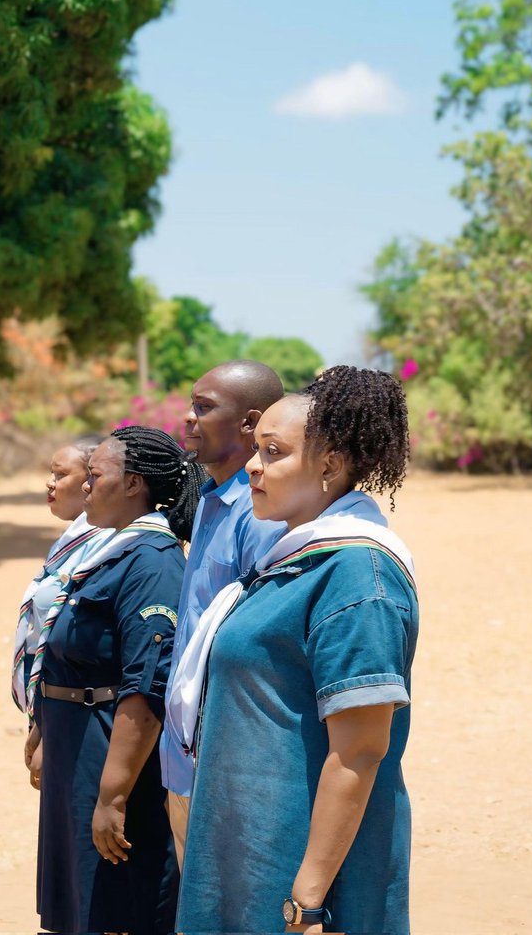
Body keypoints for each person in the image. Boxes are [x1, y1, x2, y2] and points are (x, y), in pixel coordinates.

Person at [172, 365, 418, 935]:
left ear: (329, 466)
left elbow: (358, 752)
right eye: (257, 449)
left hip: (297, 882)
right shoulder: (289, 560)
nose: (253, 467)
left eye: (274, 453)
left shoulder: (359, 575)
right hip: (248, 854)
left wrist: (306, 900)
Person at [32, 426, 205, 935]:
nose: (85, 486)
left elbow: (146, 688)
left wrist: (112, 796)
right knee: (81, 900)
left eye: (96, 475)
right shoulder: (106, 549)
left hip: (110, 749)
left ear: (132, 484)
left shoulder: (152, 562)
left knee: (115, 904)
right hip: (76, 742)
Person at [159, 360, 285, 868]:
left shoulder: (260, 515)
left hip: (227, 763)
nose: (188, 419)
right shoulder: (210, 502)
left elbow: (261, 649)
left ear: (250, 423)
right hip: (186, 756)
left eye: (204, 408)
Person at [12, 440, 113, 789]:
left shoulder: (105, 544)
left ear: (91, 481)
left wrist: (49, 728)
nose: (50, 483)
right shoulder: (73, 538)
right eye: (50, 473)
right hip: (53, 705)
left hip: (77, 712)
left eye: (60, 474)